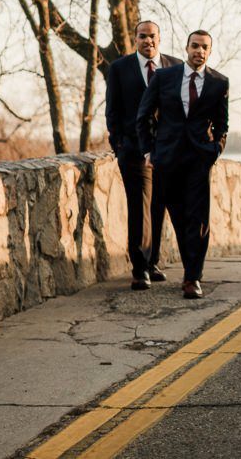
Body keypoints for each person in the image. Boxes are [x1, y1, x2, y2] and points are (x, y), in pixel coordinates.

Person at [137, 30, 229, 299]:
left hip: (200, 160)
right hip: (167, 159)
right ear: (186, 48)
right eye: (195, 46)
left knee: (198, 220)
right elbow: (144, 116)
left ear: (209, 52)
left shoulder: (218, 83)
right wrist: (148, 150)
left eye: (204, 47)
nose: (199, 51)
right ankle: (188, 269)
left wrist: (215, 150)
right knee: (178, 217)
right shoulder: (165, 77)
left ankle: (192, 277)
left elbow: (222, 125)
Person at [104, 21, 178, 290]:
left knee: (158, 204)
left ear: (160, 38)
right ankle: (139, 268)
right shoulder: (119, 69)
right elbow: (112, 110)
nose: (148, 41)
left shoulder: (175, 66)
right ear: (135, 39)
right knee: (140, 206)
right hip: (133, 151)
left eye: (152, 36)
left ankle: (153, 261)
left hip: (167, 151)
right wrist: (119, 145)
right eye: (143, 36)